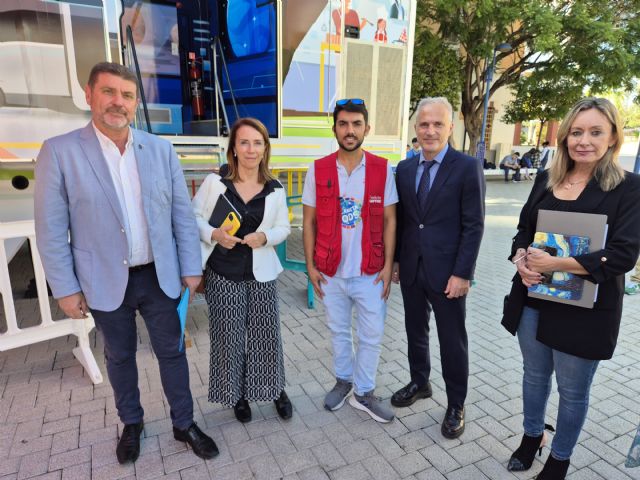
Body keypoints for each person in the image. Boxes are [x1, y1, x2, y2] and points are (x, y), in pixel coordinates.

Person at [34, 62, 218, 464]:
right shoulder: (60, 152)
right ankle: (131, 423)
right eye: (109, 92)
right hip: (102, 281)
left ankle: (184, 423)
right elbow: (50, 229)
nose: (118, 102)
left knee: (172, 353)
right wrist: (65, 289)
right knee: (119, 357)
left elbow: (181, 216)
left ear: (136, 103)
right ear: (89, 94)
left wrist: (192, 267)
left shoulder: (159, 149)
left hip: (158, 276)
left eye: (127, 95)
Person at [502, 97, 640, 479]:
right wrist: (522, 263)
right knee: (533, 376)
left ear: (613, 136)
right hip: (534, 301)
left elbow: (623, 254)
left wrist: (554, 264)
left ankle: (560, 458)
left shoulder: (629, 188)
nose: (584, 140)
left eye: (596, 132)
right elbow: (522, 232)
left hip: (586, 311)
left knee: (573, 391)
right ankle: (532, 437)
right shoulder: (547, 179)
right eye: (576, 132)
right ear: (564, 137)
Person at [391, 97, 485, 439]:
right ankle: (420, 382)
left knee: (451, 340)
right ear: (415, 129)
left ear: (450, 127)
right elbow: (403, 220)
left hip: (449, 274)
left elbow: (474, 225)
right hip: (413, 268)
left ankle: (456, 403)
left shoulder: (465, 166)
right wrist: (398, 261)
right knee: (415, 330)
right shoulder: (404, 168)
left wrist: (463, 273)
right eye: (423, 124)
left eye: (437, 125)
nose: (430, 131)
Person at [302, 98, 398, 423]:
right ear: (335, 129)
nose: (350, 130)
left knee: (372, 334)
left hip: (370, 271)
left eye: (356, 124)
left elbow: (390, 221)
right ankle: (344, 381)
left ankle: (364, 391)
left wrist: (388, 266)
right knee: (338, 331)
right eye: (343, 124)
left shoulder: (384, 169)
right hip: (330, 272)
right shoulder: (318, 169)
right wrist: (311, 267)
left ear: (366, 129)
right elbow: (309, 222)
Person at [192, 118, 292, 423]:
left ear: (265, 149)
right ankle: (237, 395)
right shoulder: (215, 183)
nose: (251, 149)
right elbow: (192, 217)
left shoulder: (275, 188)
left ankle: (275, 390)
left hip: (261, 274)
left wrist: (265, 237)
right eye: (244, 142)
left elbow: (284, 227)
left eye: (257, 143)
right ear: (233, 148)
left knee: (266, 336)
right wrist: (214, 234)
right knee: (228, 338)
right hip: (223, 273)